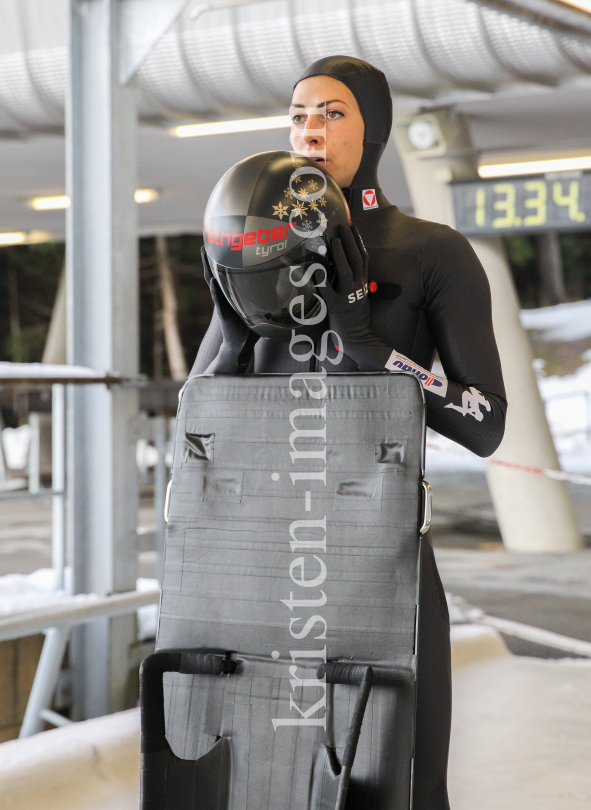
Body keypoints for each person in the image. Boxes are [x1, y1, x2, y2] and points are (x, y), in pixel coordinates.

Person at [192, 55, 507, 810]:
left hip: (380, 558)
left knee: (402, 782)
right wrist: (234, 342)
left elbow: (486, 422)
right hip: (265, 557)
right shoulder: (254, 249)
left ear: (373, 128)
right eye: (298, 113)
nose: (309, 130)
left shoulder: (432, 252)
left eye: (331, 112)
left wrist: (376, 354)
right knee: (268, 782)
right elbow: (197, 420)